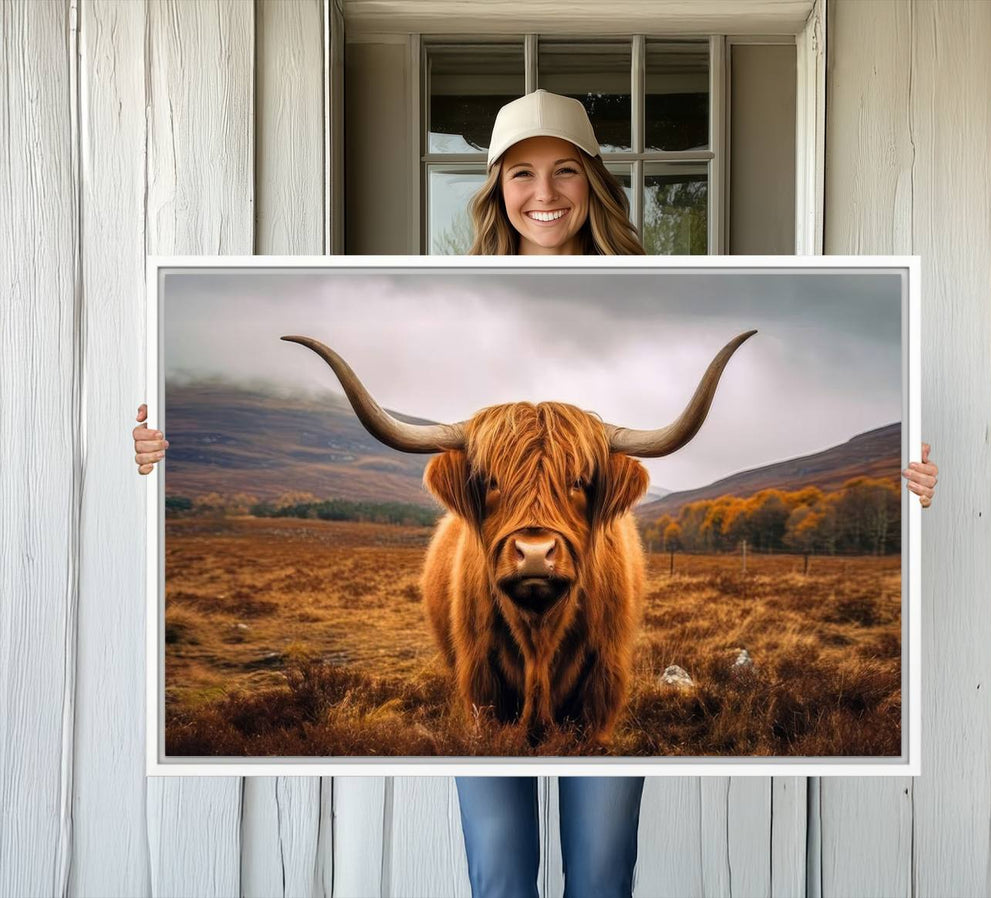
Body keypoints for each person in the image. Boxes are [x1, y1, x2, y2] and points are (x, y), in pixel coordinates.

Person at [131, 89, 939, 898]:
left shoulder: (659, 284)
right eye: (521, 174)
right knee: (499, 874)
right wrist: (159, 454)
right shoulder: (436, 296)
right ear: (495, 189)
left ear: (593, 182)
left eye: (564, 172)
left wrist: (911, 486)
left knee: (600, 873)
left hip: (594, 614)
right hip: (478, 612)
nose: (544, 194)